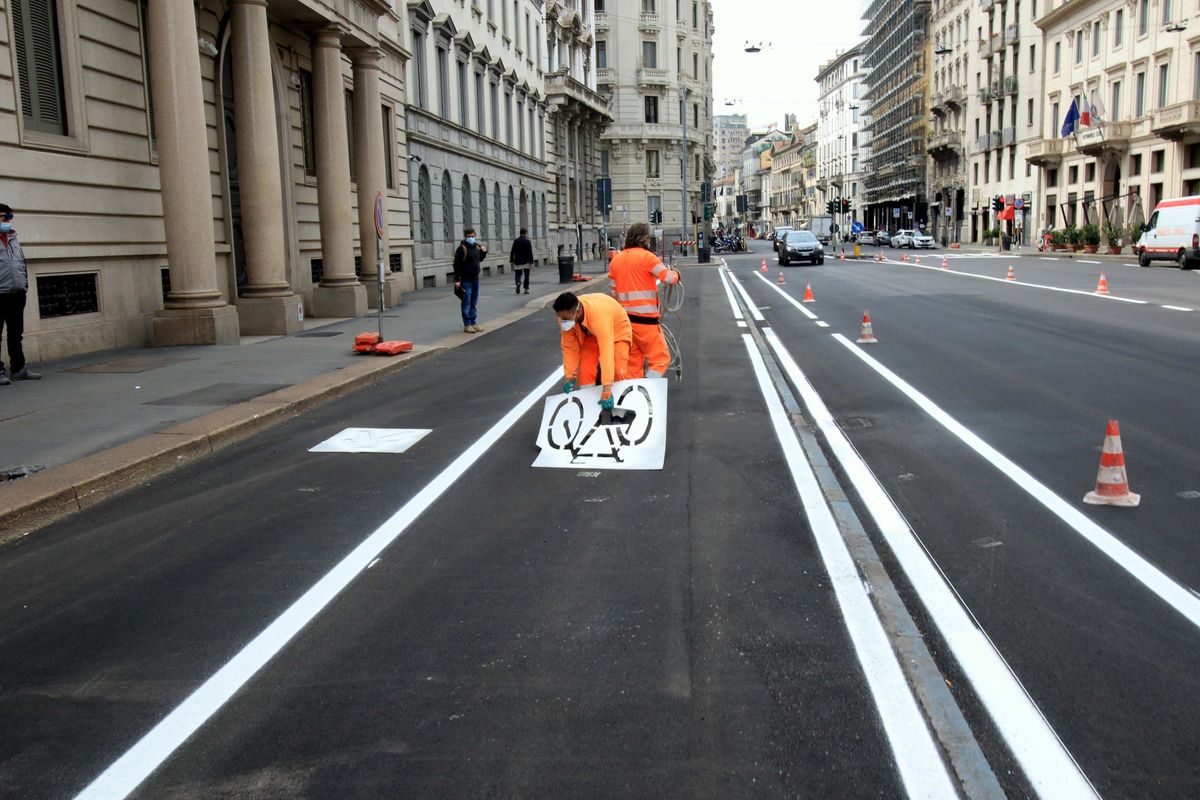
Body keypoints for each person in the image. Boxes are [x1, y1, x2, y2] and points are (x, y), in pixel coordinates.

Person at [607, 221, 680, 379]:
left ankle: (631, 397)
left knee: (632, 362)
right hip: (646, 321)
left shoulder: (616, 261)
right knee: (660, 358)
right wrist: (676, 275)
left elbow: (613, 293)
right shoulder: (648, 258)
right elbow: (668, 277)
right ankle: (648, 388)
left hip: (625, 322)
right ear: (643, 239)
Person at [553, 291, 631, 412]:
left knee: (618, 370)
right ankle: (590, 412)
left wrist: (607, 391)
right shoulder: (568, 318)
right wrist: (570, 379)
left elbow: (607, 353)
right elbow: (569, 348)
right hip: (590, 334)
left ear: (576, 312)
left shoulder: (599, 315)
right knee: (584, 371)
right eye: (559, 317)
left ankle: (620, 413)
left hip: (617, 330)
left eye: (564, 318)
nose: (561, 321)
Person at [0, 203, 39, 385]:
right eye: (4, 217)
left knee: (16, 333)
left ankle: (18, 368)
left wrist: (24, 285)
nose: (8, 221)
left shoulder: (14, 238)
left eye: (10, 217)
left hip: (17, 292)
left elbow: (20, 262)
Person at [452, 226, 487, 333]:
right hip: (466, 279)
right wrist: (457, 280)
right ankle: (467, 324)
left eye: (472, 236)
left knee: (473, 301)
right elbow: (457, 265)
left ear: (475, 236)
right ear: (465, 237)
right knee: (466, 302)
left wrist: (484, 252)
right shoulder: (462, 248)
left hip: (475, 279)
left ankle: (473, 322)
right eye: (469, 236)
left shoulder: (476, 247)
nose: (471, 238)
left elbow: (479, 260)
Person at [509, 227, 533, 295]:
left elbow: (512, 251)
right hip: (526, 261)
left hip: (518, 261)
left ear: (520, 233)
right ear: (525, 233)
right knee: (526, 275)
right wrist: (531, 262)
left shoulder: (516, 241)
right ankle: (526, 289)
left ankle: (518, 282)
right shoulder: (528, 241)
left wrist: (511, 260)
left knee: (518, 274)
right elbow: (530, 252)